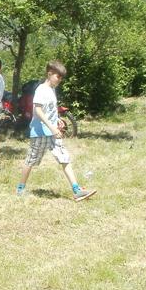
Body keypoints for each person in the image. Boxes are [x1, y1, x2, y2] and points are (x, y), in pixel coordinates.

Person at [16, 60, 96, 201]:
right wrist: (52, 127)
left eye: (61, 77)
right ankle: (20, 188)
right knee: (31, 160)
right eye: (58, 77)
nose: (60, 80)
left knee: (64, 158)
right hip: (40, 132)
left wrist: (57, 118)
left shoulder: (52, 89)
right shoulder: (41, 89)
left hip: (52, 133)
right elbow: (38, 111)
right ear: (49, 74)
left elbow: (50, 109)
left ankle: (76, 189)